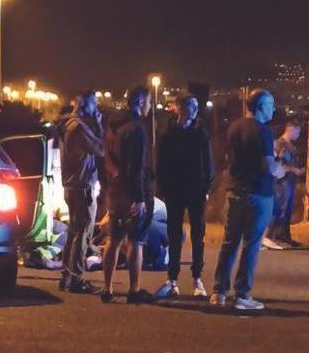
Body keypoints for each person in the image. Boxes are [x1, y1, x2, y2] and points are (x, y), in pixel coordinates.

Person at [212, 89, 281, 311]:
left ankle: (219, 291)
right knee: (251, 244)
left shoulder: (235, 127)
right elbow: (267, 166)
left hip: (235, 190)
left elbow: (228, 158)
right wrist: (279, 165)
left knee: (229, 242)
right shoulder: (264, 132)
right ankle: (242, 294)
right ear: (260, 106)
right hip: (259, 192)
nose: (273, 108)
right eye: (270, 104)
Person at [154, 94, 213, 299]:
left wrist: (207, 189)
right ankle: (173, 279)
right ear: (178, 108)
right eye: (188, 106)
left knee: (198, 236)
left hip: (196, 190)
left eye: (195, 107)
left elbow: (208, 163)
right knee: (174, 235)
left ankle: (197, 278)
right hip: (174, 190)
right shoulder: (168, 134)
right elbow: (160, 163)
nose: (192, 111)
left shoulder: (201, 134)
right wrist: (162, 188)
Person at [101, 86, 155, 304]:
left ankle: (107, 288)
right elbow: (136, 167)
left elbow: (109, 160)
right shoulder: (137, 129)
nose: (150, 106)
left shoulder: (115, 128)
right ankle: (134, 289)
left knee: (113, 239)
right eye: (149, 102)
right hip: (132, 191)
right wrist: (140, 197)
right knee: (136, 241)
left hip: (115, 190)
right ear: (141, 102)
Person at [58, 91, 105, 294]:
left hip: (71, 185)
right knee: (83, 233)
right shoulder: (80, 128)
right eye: (94, 104)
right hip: (82, 185)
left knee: (73, 232)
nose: (97, 108)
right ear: (86, 106)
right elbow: (101, 148)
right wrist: (99, 125)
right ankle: (76, 278)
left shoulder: (67, 126)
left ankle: (67, 276)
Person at [264, 120, 304, 249]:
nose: (299, 135)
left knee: (287, 209)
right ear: (291, 129)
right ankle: (275, 236)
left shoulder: (289, 145)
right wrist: (294, 170)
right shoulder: (280, 144)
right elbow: (278, 163)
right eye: (298, 131)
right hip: (282, 181)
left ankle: (284, 236)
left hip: (289, 180)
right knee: (281, 208)